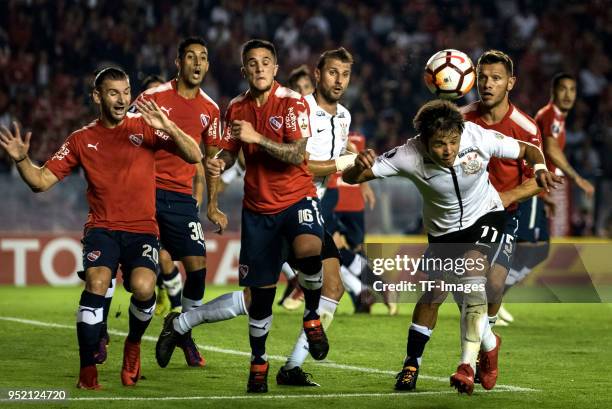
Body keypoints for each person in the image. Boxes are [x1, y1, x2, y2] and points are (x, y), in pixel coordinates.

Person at [0, 67, 202, 389]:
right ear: (97, 96)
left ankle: (133, 344)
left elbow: (195, 154)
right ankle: (87, 370)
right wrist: (22, 160)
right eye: (113, 93)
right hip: (103, 228)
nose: (122, 99)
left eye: (126, 92)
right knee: (96, 282)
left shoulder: (145, 128)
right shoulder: (81, 139)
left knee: (145, 288)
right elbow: (40, 182)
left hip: (142, 230)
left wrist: (167, 125)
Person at [343, 99, 559, 395]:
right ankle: (419, 362)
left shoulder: (476, 136)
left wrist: (540, 167)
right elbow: (351, 178)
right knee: (433, 294)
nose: (448, 150)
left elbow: (529, 149)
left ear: (461, 133)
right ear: (424, 141)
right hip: (443, 234)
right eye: (440, 144)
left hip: (486, 215)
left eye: (453, 141)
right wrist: (358, 166)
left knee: (473, 278)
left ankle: (466, 366)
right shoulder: (408, 154)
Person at [157, 39, 329, 393]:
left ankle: (312, 316)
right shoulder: (235, 107)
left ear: (276, 68)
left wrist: (258, 137)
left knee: (312, 249)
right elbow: (232, 153)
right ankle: (258, 362)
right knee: (259, 299)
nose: (260, 68)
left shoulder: (293, 102)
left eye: (266, 62)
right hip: (258, 211)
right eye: (252, 63)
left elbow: (297, 154)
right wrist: (221, 162)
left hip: (297, 199)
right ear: (244, 71)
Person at [398, 50, 549, 393]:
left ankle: (484, 348)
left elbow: (536, 180)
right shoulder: (460, 119)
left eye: (496, 78)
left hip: (501, 215)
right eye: (482, 77)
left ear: (511, 82)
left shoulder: (525, 127)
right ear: (471, 78)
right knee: (438, 289)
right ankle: (417, 363)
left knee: (492, 286)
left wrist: (501, 199)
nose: (487, 84)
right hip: (454, 221)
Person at [132, 37, 221, 368]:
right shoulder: (153, 98)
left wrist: (211, 204)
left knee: (197, 270)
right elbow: (124, 135)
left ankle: (180, 329)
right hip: (146, 193)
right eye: (191, 57)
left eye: (203, 57)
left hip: (182, 198)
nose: (197, 63)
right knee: (141, 275)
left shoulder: (210, 109)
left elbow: (210, 161)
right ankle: (127, 341)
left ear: (208, 65)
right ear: (178, 62)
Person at [276, 47, 356, 387]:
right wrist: (344, 163)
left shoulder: (345, 117)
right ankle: (182, 324)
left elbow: (339, 169)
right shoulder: (300, 109)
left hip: (313, 211)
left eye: (345, 74)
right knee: (255, 300)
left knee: (333, 287)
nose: (339, 80)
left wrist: (360, 166)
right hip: (286, 208)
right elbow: (302, 164)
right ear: (318, 74)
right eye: (333, 72)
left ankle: (292, 367)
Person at [501, 73, 595, 323]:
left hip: (538, 189)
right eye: (563, 89)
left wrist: (546, 198)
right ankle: (493, 296)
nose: (568, 94)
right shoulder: (550, 115)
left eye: (572, 90)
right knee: (531, 247)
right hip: (531, 184)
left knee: (538, 250)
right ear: (553, 91)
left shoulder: (558, 118)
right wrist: (576, 177)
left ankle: (495, 295)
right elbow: (551, 149)